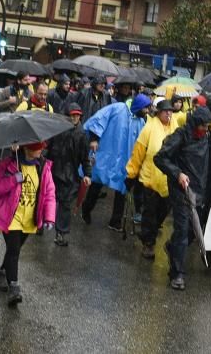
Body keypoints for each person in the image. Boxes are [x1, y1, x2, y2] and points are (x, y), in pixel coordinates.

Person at [153, 106, 211, 291]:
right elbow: (160, 158)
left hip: (199, 191)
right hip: (181, 190)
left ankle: (172, 248)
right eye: (203, 126)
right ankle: (177, 274)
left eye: (208, 126)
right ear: (196, 124)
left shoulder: (206, 137)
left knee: (192, 231)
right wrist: (178, 173)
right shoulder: (180, 136)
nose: (206, 129)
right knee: (181, 230)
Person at [0, 141, 56, 307]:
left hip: (29, 219)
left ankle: (2, 273)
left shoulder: (43, 167)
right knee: (14, 250)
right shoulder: (8, 165)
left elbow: (49, 193)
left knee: (14, 250)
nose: (41, 150)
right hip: (11, 217)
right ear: (27, 148)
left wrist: (49, 217)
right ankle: (14, 287)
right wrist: (13, 180)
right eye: (37, 147)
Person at [81, 93, 151, 230]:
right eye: (146, 108)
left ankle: (115, 220)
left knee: (122, 189)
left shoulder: (141, 121)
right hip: (108, 154)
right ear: (140, 106)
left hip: (125, 161)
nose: (147, 111)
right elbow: (99, 119)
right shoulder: (118, 108)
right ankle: (86, 209)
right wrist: (94, 138)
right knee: (97, 183)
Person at [126, 99, 179, 259]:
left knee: (162, 214)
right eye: (165, 111)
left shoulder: (176, 130)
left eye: (170, 111)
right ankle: (148, 244)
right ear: (159, 112)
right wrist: (131, 173)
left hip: (168, 182)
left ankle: (148, 235)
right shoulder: (148, 128)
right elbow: (138, 153)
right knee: (150, 214)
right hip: (149, 179)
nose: (169, 113)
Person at [46, 103, 93, 247]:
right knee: (47, 199)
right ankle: (41, 223)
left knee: (65, 204)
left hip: (70, 175)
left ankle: (61, 233)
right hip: (54, 171)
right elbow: (48, 149)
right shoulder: (58, 130)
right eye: (72, 114)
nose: (74, 117)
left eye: (77, 115)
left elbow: (85, 158)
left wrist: (88, 174)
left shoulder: (83, 135)